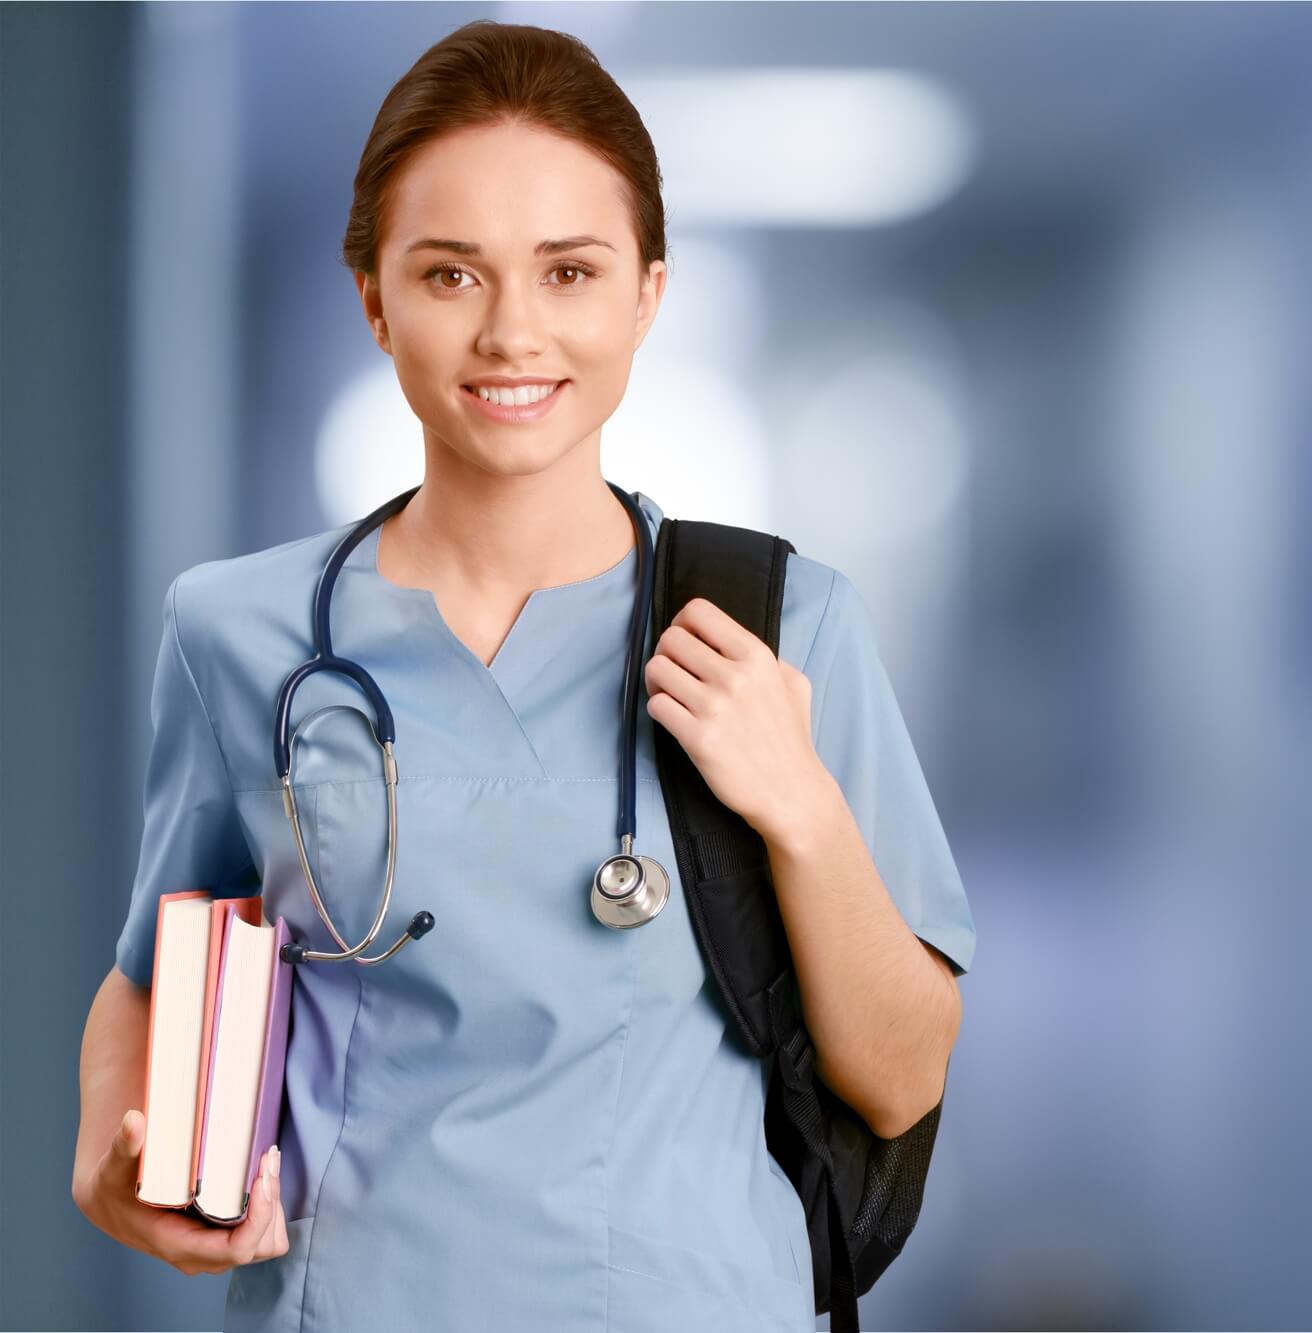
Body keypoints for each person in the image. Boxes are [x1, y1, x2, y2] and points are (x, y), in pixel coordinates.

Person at [70, 21, 976, 1332]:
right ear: (374, 294)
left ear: (648, 293)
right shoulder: (240, 634)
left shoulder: (783, 622)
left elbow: (899, 1079)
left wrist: (801, 806)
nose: (512, 332)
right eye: (450, 275)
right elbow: (155, 970)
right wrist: (117, 1158)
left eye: (569, 270)